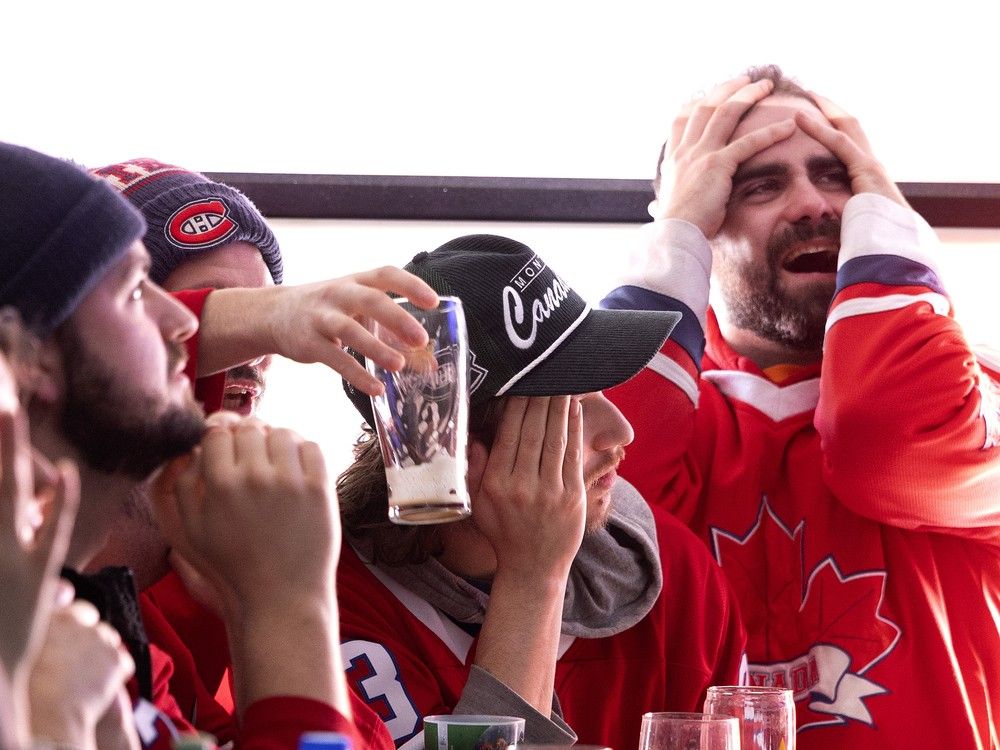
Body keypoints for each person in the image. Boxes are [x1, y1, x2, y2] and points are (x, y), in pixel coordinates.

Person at [602, 65, 1000, 748]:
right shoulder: (658, 405)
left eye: (839, 175)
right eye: (756, 184)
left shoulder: (970, 388)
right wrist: (675, 232)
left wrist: (884, 210)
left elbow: (886, 438)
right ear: (698, 223)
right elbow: (582, 502)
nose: (814, 205)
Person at [0, 141, 423, 750]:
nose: (185, 325)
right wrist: (285, 608)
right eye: (133, 291)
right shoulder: (48, 655)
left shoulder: (86, 625)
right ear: (29, 352)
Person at [336, 234, 748, 750]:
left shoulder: (678, 572)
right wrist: (534, 577)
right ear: (441, 448)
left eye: (600, 388)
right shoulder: (330, 603)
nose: (622, 432)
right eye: (568, 404)